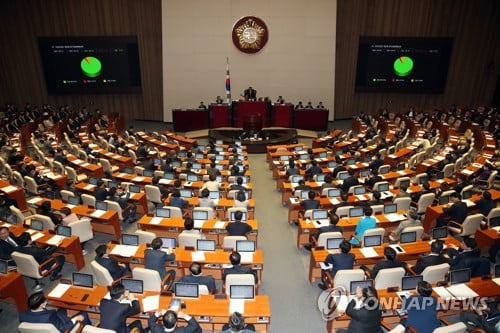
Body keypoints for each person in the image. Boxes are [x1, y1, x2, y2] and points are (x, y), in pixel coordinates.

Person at [19, 292, 92, 331]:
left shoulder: (22, 314)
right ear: (41, 305)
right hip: (61, 327)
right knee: (84, 314)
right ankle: (89, 330)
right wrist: (75, 319)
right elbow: (61, 328)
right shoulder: (48, 317)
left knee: (62, 308)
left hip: (46, 324)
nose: (46, 302)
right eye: (45, 301)